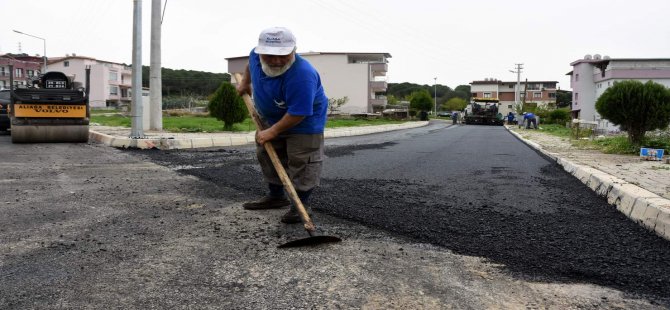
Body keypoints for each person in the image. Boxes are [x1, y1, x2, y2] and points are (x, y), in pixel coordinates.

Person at [236, 27, 329, 224]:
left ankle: (300, 206)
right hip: (270, 117)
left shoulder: (302, 75)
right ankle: (276, 197)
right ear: (261, 52)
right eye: (270, 56)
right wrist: (245, 83)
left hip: (304, 122)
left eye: (283, 55)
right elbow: (250, 65)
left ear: (293, 50)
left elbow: (299, 112)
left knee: (302, 162)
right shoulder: (255, 55)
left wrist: (273, 131)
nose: (276, 61)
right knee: (268, 155)